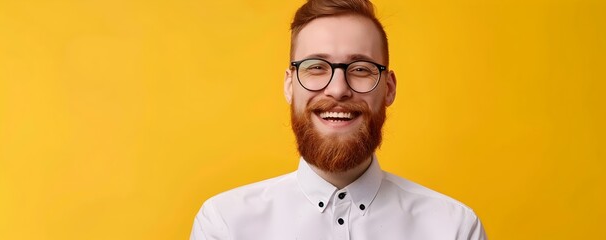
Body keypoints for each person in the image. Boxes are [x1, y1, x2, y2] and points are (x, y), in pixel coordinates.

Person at [190, 0, 487, 239]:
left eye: (360, 69)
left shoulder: (454, 228)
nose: (338, 89)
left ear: (389, 88)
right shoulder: (225, 225)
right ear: (290, 85)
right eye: (316, 67)